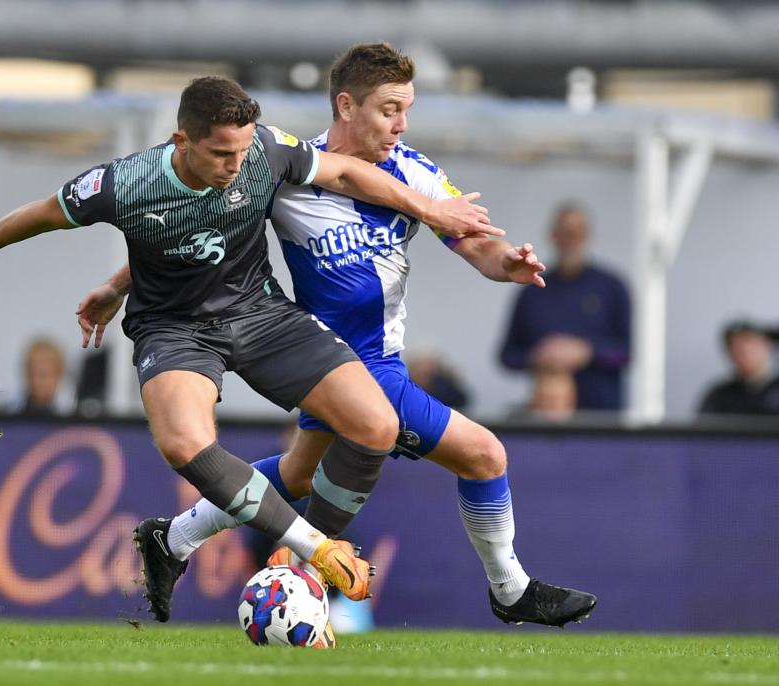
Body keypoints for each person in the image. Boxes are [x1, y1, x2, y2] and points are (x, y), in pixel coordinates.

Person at [0, 76, 500, 623]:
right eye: (222, 154)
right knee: (185, 443)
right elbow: (48, 211)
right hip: (174, 329)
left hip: (260, 313)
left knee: (375, 424)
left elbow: (345, 174)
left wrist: (429, 208)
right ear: (182, 141)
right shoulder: (125, 182)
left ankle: (212, 550)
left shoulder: (265, 151)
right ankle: (315, 556)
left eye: (243, 152)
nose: (236, 166)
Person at [77, 45, 596, 633]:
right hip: (339, 361)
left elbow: (474, 243)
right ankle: (508, 589)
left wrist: (509, 261)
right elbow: (200, 231)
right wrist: (120, 285)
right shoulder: (285, 168)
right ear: (346, 105)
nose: (401, 125)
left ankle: (173, 540)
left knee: (297, 476)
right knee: (484, 456)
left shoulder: (414, 172)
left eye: (407, 110)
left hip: (354, 365)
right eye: (389, 110)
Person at [500, 203, 631, 411]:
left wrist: (587, 352)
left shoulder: (611, 288)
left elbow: (628, 352)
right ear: (553, 235)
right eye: (565, 233)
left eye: (577, 233)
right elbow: (508, 355)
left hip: (601, 417)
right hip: (547, 414)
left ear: (588, 236)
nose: (571, 241)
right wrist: (538, 355)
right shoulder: (533, 290)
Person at [698, 320, 779, 415]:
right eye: (736, 347)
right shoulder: (719, 396)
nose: (745, 351)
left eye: (749, 342)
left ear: (767, 345)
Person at [6, 336, 76, 416]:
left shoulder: (71, 416)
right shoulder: (8, 414)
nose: (35, 381)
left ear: (58, 375)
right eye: (31, 374)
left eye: (43, 375)